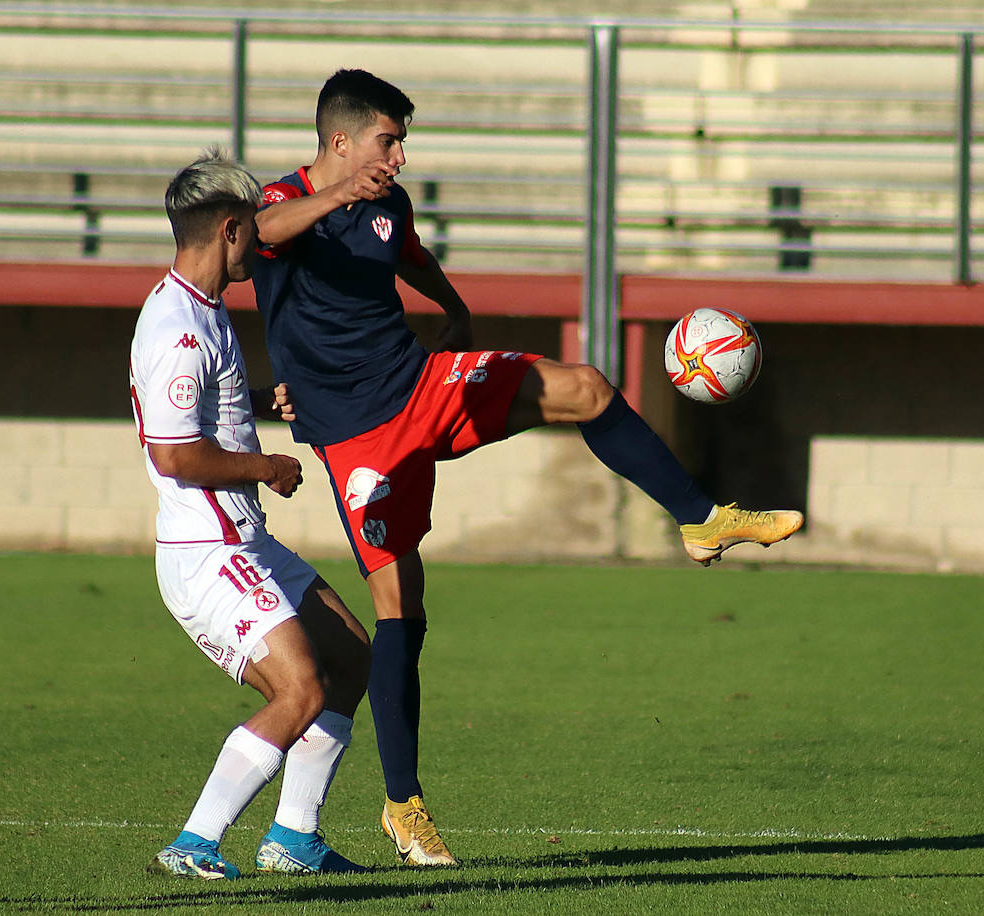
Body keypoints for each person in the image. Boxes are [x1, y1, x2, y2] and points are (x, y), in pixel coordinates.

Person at [251, 69, 804, 868]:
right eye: (388, 138)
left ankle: (700, 518)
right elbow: (265, 235)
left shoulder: (387, 203)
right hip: (357, 438)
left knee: (584, 387)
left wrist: (451, 305)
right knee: (400, 606)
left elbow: (402, 248)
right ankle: (402, 807)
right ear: (340, 141)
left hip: (421, 385)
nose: (400, 154)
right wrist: (338, 197)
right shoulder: (285, 202)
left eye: (402, 139)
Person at [129, 148, 373, 879]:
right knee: (300, 688)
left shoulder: (201, 307)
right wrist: (264, 464)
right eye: (255, 229)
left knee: (352, 658)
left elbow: (205, 420)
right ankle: (195, 843)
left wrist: (256, 410)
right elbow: (175, 455)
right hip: (206, 552)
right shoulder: (177, 326)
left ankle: (294, 838)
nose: (263, 242)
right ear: (230, 229)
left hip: (244, 538)